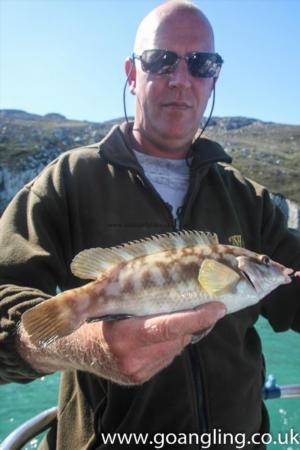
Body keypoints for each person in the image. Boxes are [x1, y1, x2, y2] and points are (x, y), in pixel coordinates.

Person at [0, 1, 299, 449]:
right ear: (131, 72)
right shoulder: (69, 181)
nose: (181, 78)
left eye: (201, 63)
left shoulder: (246, 198)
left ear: (214, 76)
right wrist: (83, 347)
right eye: (161, 60)